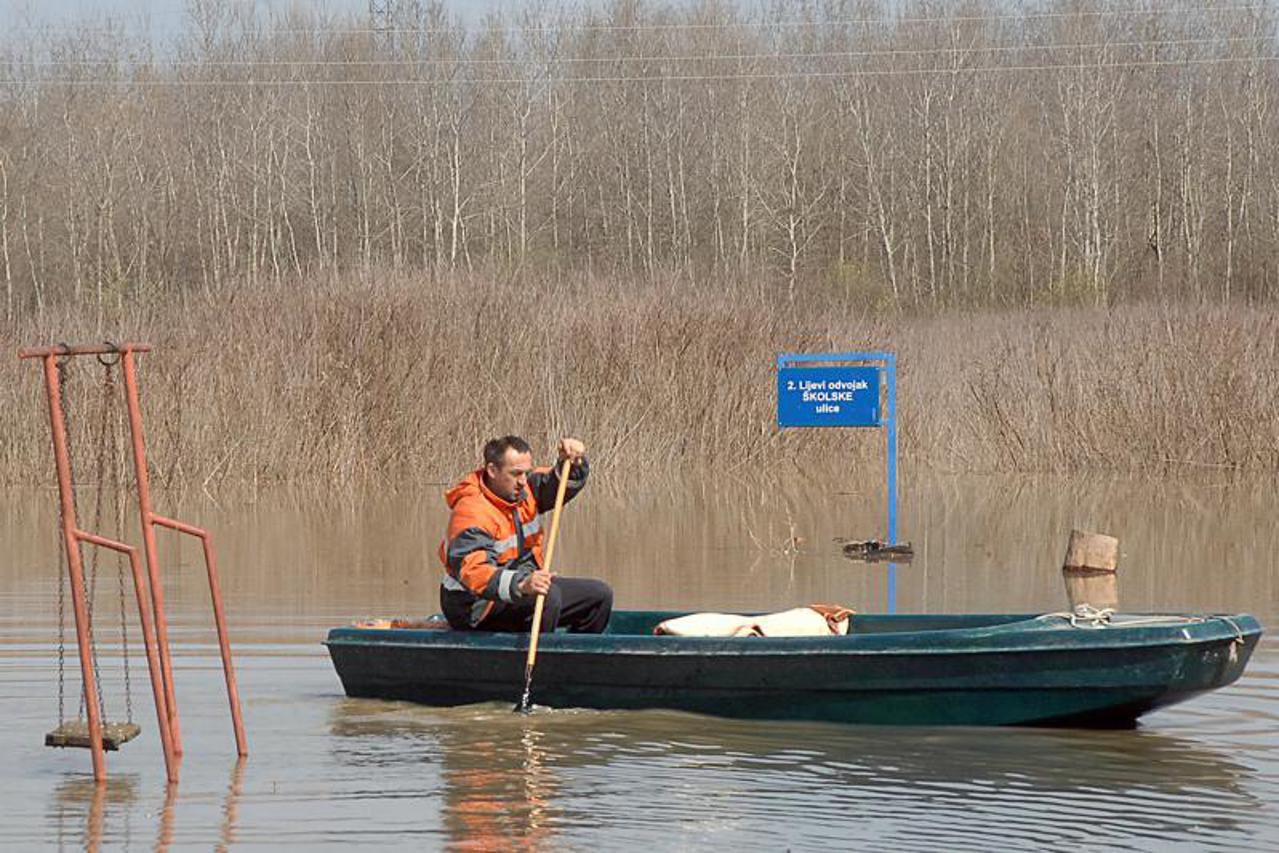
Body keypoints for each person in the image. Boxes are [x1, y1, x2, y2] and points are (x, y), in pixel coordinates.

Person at [439, 435, 613, 634]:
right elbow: (474, 572)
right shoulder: (472, 511)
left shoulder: (525, 490)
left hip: (521, 587)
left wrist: (573, 462)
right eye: (516, 474)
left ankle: (575, 660)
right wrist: (520, 584)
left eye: (526, 473)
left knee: (599, 596)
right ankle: (539, 663)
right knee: (547, 598)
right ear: (492, 471)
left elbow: (557, 482)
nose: (523, 481)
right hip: (474, 606)